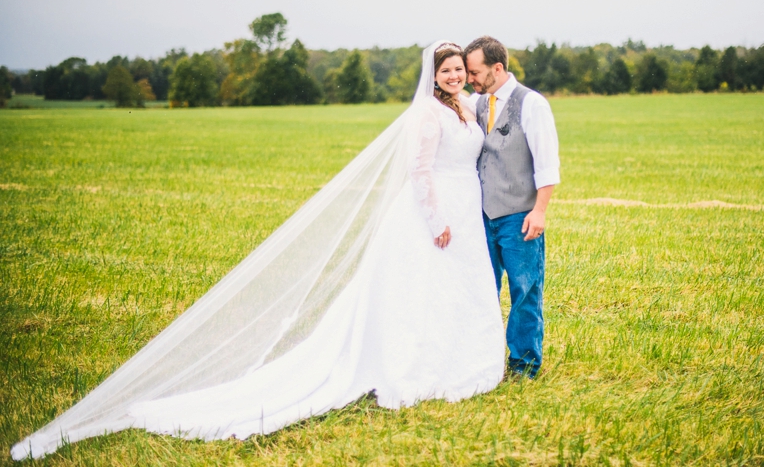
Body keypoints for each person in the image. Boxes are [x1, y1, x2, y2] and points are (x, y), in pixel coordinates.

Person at [12, 41, 505, 460]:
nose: (456, 75)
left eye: (461, 68)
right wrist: (436, 219)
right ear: (433, 75)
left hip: (465, 209)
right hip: (433, 215)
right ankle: (413, 366)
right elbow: (419, 172)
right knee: (418, 290)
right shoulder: (426, 114)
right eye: (447, 70)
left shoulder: (464, 108)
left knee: (453, 289)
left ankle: (456, 357)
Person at [464, 36, 560, 379]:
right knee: (482, 289)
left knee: (525, 291)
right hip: (481, 217)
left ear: (498, 68)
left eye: (475, 73)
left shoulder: (531, 104)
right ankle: (484, 361)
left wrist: (540, 210)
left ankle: (524, 365)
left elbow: (547, 163)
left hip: (520, 214)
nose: (469, 79)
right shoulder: (475, 104)